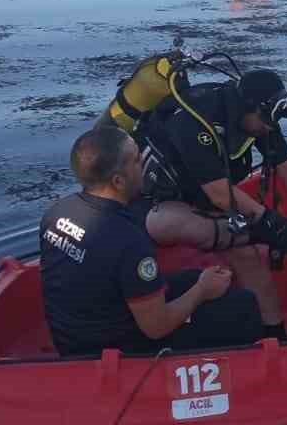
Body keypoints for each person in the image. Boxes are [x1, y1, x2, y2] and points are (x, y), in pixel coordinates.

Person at [40, 124, 271, 356]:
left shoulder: (57, 212)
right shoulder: (128, 240)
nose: (144, 164)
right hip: (119, 349)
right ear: (118, 181)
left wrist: (198, 285)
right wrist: (202, 290)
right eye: (137, 160)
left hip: (72, 338)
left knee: (190, 278)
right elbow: (156, 328)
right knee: (243, 306)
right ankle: (252, 376)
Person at [138, 68, 287, 328]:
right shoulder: (195, 121)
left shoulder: (258, 117)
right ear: (248, 107)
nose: (270, 126)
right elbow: (220, 194)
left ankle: (274, 334)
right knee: (240, 239)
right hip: (158, 204)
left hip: (202, 193)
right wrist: (271, 223)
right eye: (267, 119)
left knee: (249, 255)